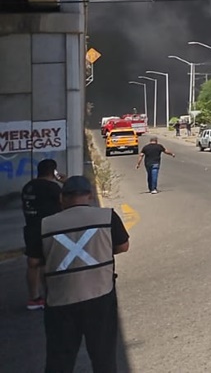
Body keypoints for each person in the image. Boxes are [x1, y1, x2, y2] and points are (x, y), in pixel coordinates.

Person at [36, 175, 129, 373]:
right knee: (104, 356)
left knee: (59, 359)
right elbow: (123, 246)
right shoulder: (107, 216)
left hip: (60, 300)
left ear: (62, 198)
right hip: (100, 295)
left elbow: (34, 260)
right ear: (90, 195)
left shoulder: (45, 224)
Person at [21, 159, 62, 310]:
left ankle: (34, 298)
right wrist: (64, 181)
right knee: (49, 263)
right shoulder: (52, 187)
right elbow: (64, 202)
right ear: (53, 172)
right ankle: (51, 295)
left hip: (30, 227)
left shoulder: (28, 186)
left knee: (33, 263)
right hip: (48, 228)